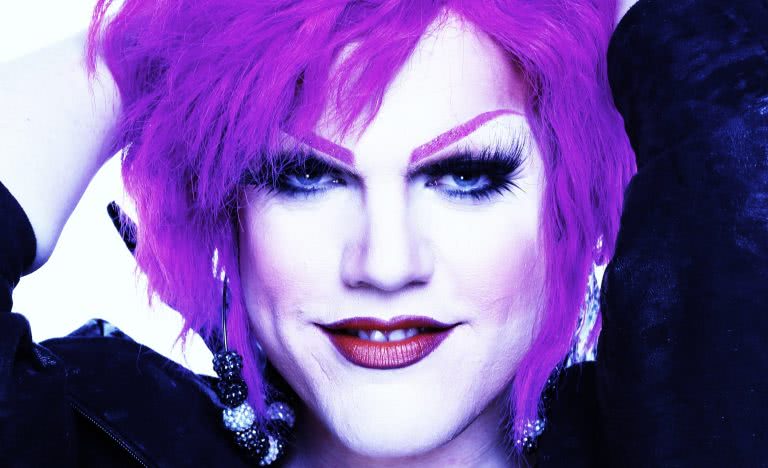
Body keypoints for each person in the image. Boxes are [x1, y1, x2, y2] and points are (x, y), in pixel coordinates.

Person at [1, 0, 766, 467]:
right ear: (224, 207)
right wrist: (145, 40)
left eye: (466, 175)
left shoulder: (705, 433)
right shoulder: (88, 440)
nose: (385, 263)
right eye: (305, 176)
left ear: (574, 206)